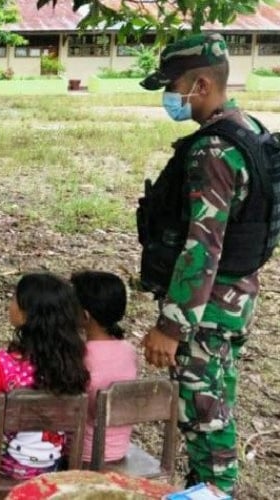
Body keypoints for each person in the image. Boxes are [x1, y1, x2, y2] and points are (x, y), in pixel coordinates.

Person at [138, 33, 277, 494]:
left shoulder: (213, 151)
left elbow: (203, 245)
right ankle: (207, 488)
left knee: (203, 419)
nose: (169, 95)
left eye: (172, 84)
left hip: (206, 312)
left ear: (200, 84)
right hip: (236, 300)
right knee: (217, 409)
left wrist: (172, 326)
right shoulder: (250, 130)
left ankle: (215, 491)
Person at [0, 273, 89, 481]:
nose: (10, 303)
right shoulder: (74, 361)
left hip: (5, 463)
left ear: (28, 315)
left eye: (14, 298)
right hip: (51, 465)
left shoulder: (3, 362)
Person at [70, 271, 138, 464]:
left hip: (82, 455)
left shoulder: (81, 357)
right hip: (120, 451)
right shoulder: (129, 351)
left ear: (85, 315)